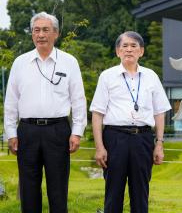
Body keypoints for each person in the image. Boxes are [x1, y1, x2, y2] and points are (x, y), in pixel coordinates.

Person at [3, 12, 87, 213]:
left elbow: (78, 99)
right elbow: (11, 102)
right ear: (32, 34)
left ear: (56, 33)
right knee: (28, 187)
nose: (41, 34)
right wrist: (11, 133)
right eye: (37, 30)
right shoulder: (20, 63)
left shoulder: (69, 62)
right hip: (27, 131)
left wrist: (77, 131)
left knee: (58, 188)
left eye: (46, 30)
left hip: (58, 130)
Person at [90, 31, 171, 213]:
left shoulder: (151, 76)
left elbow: (159, 112)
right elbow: (97, 114)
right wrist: (99, 147)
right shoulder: (107, 76)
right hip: (114, 138)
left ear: (141, 51)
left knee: (141, 192)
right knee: (113, 192)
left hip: (142, 139)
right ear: (118, 51)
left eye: (133, 46)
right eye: (124, 46)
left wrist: (159, 144)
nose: (129, 50)